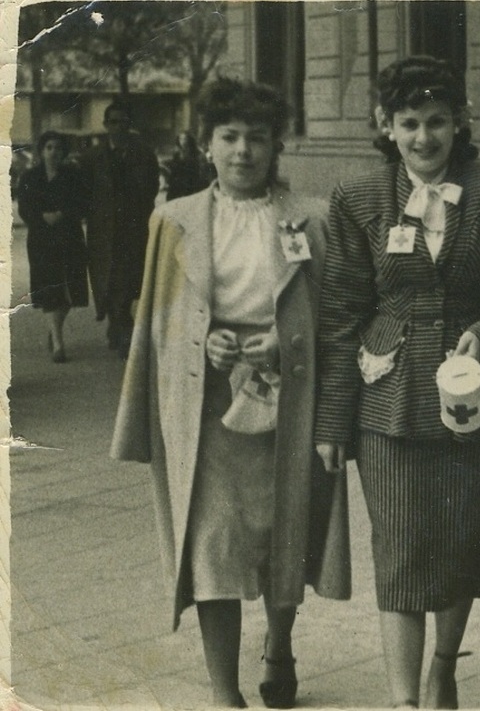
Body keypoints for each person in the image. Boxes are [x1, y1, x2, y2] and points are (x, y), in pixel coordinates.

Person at [110, 78, 351, 709]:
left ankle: (279, 643)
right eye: (229, 137)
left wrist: (282, 340)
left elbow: (331, 315)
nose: (243, 151)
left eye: (257, 138)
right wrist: (204, 339)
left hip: (285, 396)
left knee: (283, 537)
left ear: (276, 147)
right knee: (212, 545)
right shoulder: (174, 219)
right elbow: (157, 318)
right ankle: (224, 691)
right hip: (207, 406)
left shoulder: (312, 218)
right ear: (208, 145)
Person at [315, 55, 480, 709]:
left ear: (461, 122)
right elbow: (339, 315)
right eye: (409, 123)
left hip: (470, 398)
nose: (424, 138)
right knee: (401, 556)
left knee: (460, 549)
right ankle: (403, 701)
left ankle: (442, 666)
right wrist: (332, 424)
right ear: (386, 126)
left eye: (437, 122)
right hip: (387, 405)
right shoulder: (357, 197)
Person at [79, 100, 160, 358]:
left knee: (128, 279)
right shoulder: (92, 157)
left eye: (123, 122)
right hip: (102, 230)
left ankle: (122, 327)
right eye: (112, 122)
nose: (118, 127)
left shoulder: (144, 154)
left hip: (133, 228)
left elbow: (152, 187)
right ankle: (117, 325)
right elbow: (85, 192)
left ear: (129, 125)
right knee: (107, 279)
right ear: (105, 125)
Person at [16, 130, 88, 363]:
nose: (53, 152)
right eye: (49, 147)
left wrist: (63, 214)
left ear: (63, 152)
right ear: (41, 151)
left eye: (58, 147)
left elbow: (83, 202)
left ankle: (54, 327)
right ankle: (58, 342)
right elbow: (24, 207)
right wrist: (41, 217)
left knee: (70, 290)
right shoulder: (30, 177)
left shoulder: (73, 175)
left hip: (69, 238)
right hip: (41, 240)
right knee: (49, 288)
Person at [165, 131, 212, 201]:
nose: (182, 141)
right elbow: (174, 170)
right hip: (178, 185)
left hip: (192, 184)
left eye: (184, 139)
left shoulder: (197, 153)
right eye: (180, 139)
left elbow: (201, 171)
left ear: (189, 140)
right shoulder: (177, 154)